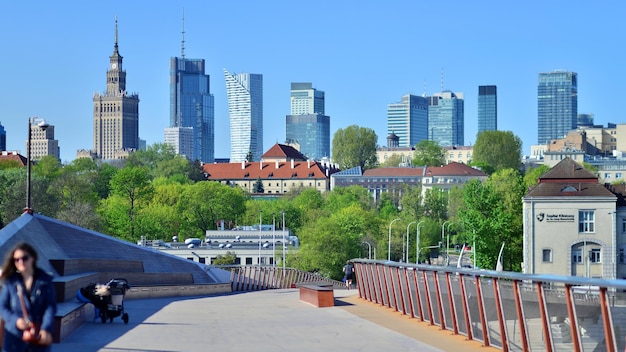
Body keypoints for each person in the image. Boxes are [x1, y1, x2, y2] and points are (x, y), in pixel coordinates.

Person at [0, 242, 56, 351]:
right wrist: (16, 321)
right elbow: (3, 307)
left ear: (32, 258)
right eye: (17, 260)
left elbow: (50, 307)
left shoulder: (45, 281)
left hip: (38, 336)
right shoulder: (11, 282)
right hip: (14, 338)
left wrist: (45, 328)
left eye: (24, 258)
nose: (21, 262)